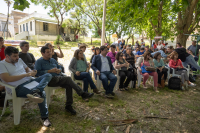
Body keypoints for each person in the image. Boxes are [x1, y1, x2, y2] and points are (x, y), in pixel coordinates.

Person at [0, 46, 53, 127]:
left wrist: (32, 72)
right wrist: (26, 74)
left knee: (48, 75)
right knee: (42, 92)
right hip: (17, 87)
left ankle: (36, 90)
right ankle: (44, 117)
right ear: (7, 56)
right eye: (14, 56)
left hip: (30, 81)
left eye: (17, 55)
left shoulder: (20, 60)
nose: (17, 58)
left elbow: (27, 69)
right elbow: (7, 79)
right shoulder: (2, 64)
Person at [35, 46, 94, 115]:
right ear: (42, 53)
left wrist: (59, 70)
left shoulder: (53, 60)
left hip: (58, 78)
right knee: (68, 79)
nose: (50, 53)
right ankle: (82, 93)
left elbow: (59, 66)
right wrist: (49, 71)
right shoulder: (39, 61)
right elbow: (37, 73)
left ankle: (68, 105)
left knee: (68, 85)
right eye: (47, 52)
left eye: (50, 51)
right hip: (49, 80)